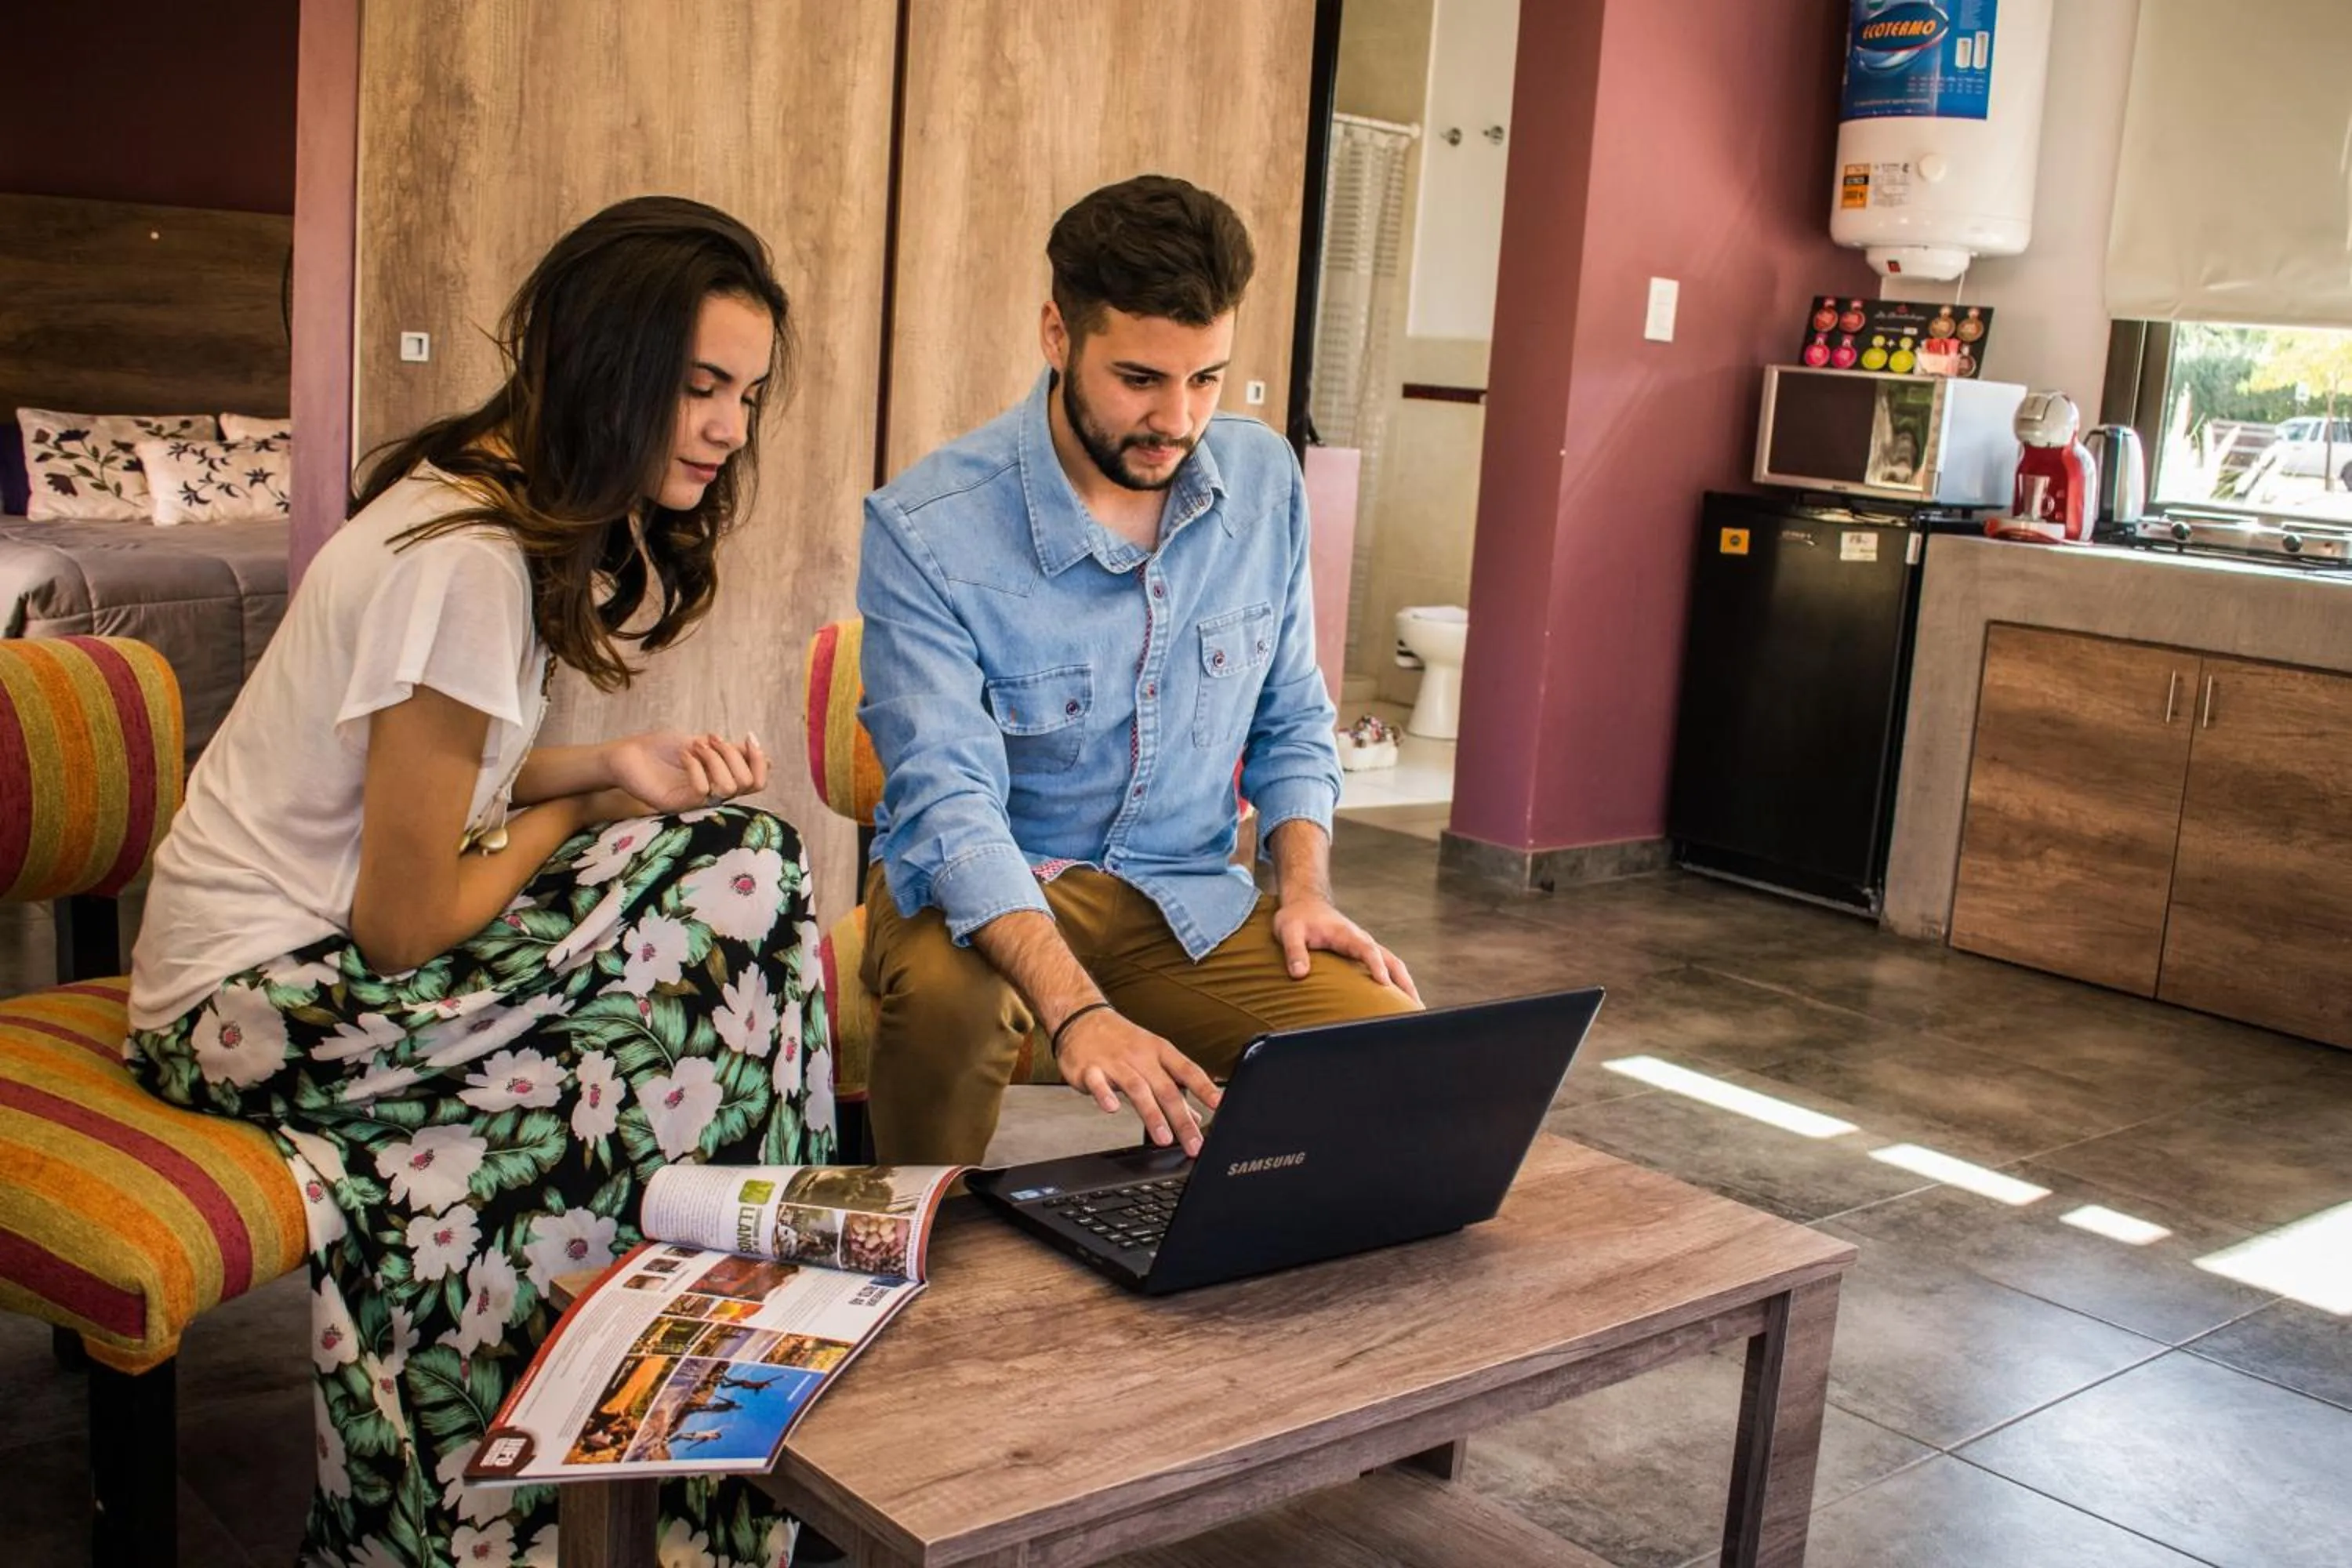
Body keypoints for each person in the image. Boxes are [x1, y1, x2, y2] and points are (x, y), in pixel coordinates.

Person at [125, 196, 828, 1568]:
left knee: (732, 876)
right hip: (250, 1013)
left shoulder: (481, 516)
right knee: (739, 887)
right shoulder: (463, 562)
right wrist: (590, 816)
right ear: (605, 361)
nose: (730, 427)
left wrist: (609, 766)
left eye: (745, 393)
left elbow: (446, 802)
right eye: (698, 387)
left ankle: (695, 1418)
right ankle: (690, 1457)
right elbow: (404, 924)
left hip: (300, 973)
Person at [857, 174, 1420, 1167]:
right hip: (987, 885)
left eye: (1206, 379)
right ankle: (918, 1261)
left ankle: (1236, 1290)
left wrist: (1303, 888)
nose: (1179, 418)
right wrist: (1075, 1012)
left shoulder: (1263, 482)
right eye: (1140, 379)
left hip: (1186, 893)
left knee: (1387, 1049)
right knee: (956, 1003)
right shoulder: (926, 527)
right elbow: (948, 805)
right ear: (1057, 335)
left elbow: (1292, 717)